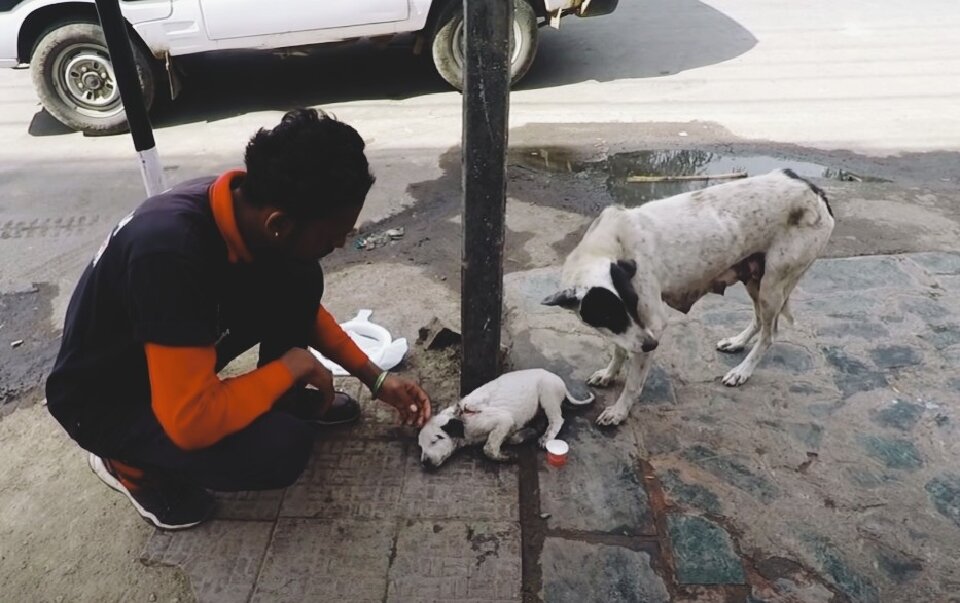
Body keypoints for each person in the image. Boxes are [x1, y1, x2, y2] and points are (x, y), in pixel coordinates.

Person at [45, 108, 431, 530]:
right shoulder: (169, 253)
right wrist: (291, 367)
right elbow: (190, 424)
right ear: (278, 223)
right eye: (332, 234)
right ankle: (127, 465)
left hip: (163, 359)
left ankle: (278, 401)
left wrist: (375, 378)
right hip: (108, 401)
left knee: (300, 275)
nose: (340, 243)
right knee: (280, 449)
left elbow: (299, 304)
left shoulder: (246, 210)